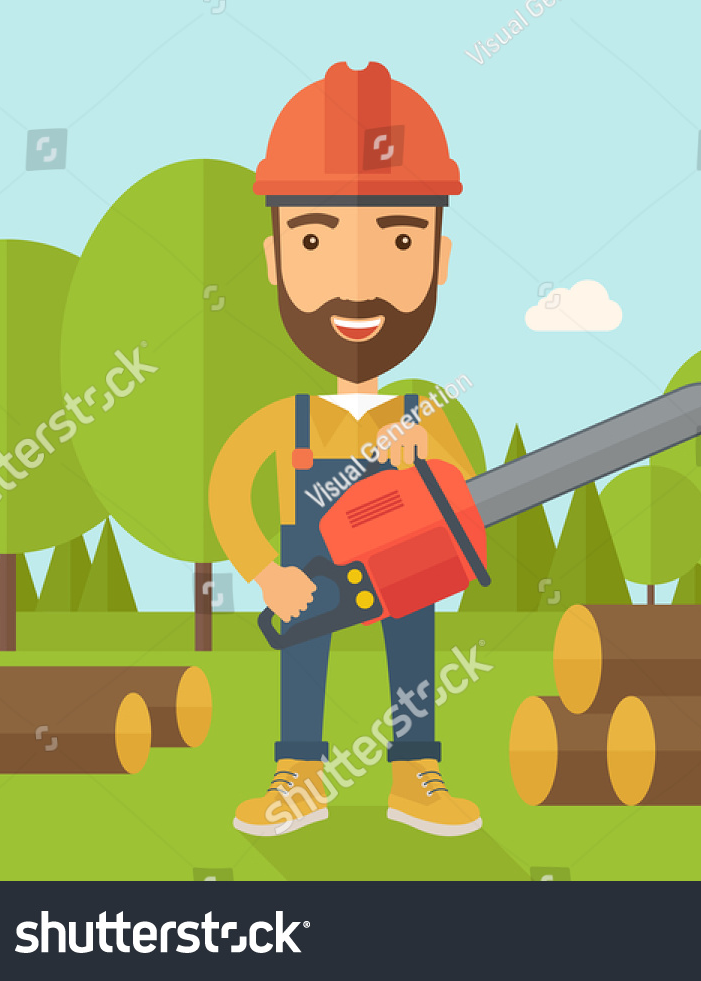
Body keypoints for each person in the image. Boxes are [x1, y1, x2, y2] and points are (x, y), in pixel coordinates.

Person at [209, 61, 479, 838]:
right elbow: (231, 487)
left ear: (440, 259)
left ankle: (414, 771)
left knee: (414, 653)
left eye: (398, 238)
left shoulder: (420, 413)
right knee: (304, 661)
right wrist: (266, 572)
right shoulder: (283, 420)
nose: (357, 279)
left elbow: (467, 496)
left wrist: (434, 462)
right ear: (275, 260)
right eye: (317, 237)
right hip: (307, 559)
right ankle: (298, 771)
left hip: (411, 554)